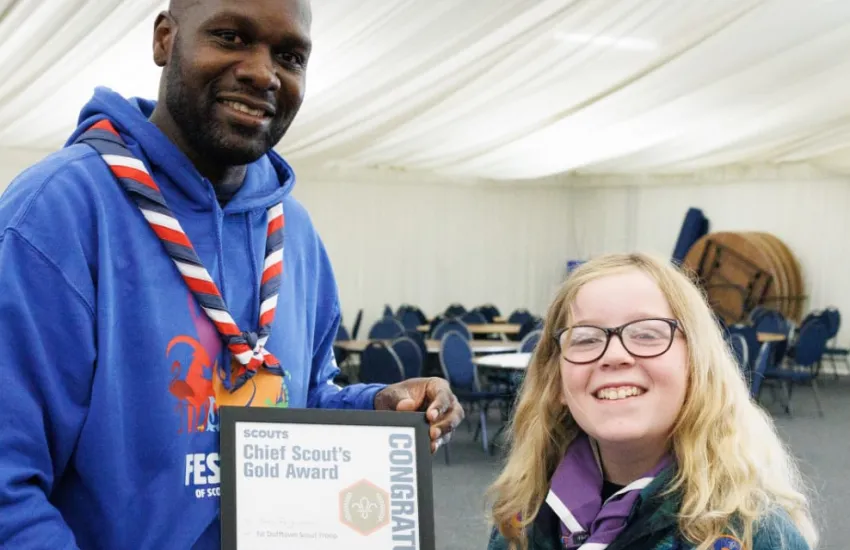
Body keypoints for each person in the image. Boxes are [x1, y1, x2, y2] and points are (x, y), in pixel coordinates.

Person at [0, 0, 463, 548]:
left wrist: (375, 407)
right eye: (231, 37)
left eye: (289, 56)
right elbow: (10, 490)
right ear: (164, 40)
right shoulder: (58, 214)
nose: (263, 73)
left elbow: (301, 396)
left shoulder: (294, 231)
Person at [486, 253, 817, 550]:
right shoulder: (522, 519)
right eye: (586, 339)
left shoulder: (753, 534)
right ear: (556, 381)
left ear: (696, 366)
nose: (614, 356)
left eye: (647, 334)